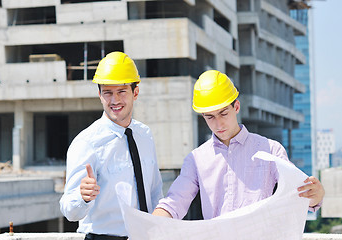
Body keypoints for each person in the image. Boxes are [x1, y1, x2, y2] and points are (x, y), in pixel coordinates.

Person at [152, 70, 325, 220]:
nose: (218, 124)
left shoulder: (271, 149)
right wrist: (150, 225)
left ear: (236, 106)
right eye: (209, 117)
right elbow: (175, 203)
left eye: (223, 113)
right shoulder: (196, 159)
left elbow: (298, 193)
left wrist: (315, 196)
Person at [60, 51, 163, 240]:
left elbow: (155, 191)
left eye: (121, 92)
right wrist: (82, 197)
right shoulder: (86, 143)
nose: (114, 100)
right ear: (99, 95)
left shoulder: (144, 135)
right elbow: (69, 210)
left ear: (136, 92)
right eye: (108, 93)